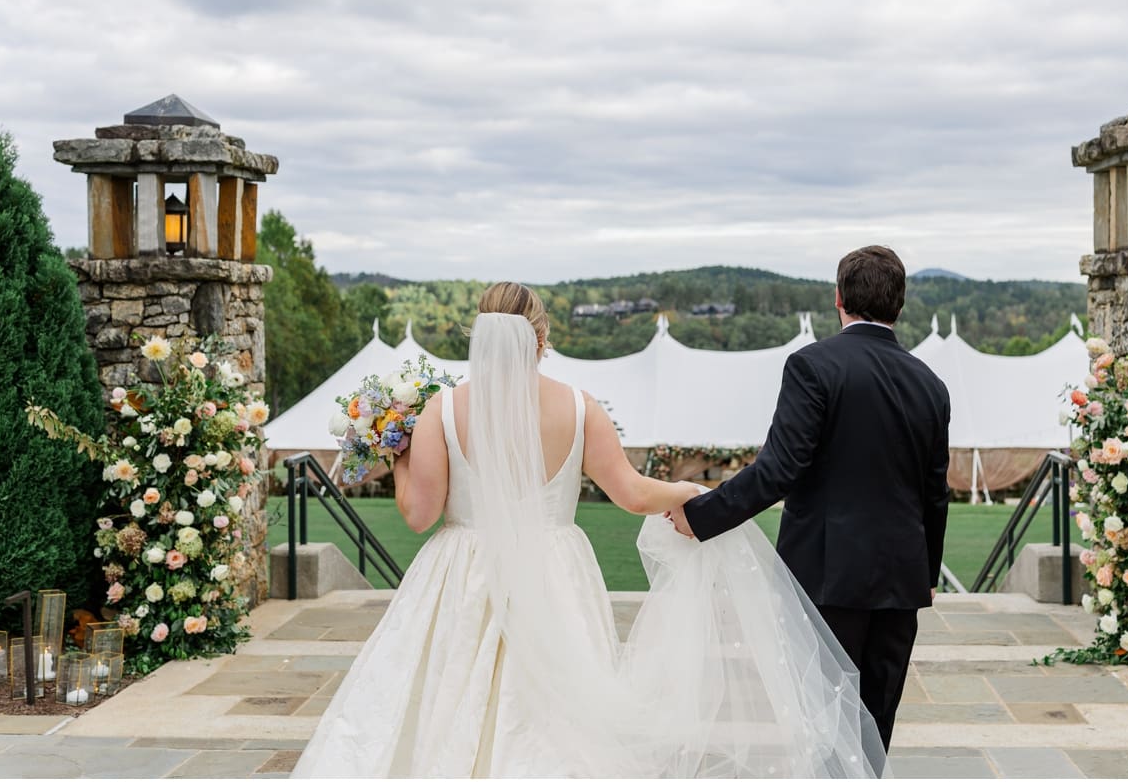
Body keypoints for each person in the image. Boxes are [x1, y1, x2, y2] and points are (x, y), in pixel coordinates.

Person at [292, 282, 885, 778]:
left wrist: (398, 459)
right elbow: (631, 493)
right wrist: (695, 496)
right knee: (557, 708)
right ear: (541, 339)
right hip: (554, 570)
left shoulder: (441, 411)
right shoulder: (580, 408)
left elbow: (419, 515)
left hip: (461, 572)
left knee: (439, 692)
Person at [671, 245, 951, 753]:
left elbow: (778, 470)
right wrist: (926, 574)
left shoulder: (812, 367)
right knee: (875, 723)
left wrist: (702, 515)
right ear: (900, 304)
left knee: (824, 720)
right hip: (900, 580)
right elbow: (936, 493)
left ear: (839, 298)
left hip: (827, 576)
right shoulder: (930, 384)